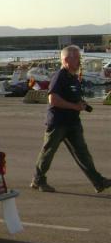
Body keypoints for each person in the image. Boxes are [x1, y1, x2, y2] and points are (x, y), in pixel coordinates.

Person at [31, 45, 111, 193]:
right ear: (67, 60)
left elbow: (72, 96)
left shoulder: (73, 77)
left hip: (73, 122)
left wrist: (81, 104)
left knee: (83, 153)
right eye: (77, 59)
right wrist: (74, 107)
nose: (79, 62)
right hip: (58, 123)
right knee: (48, 152)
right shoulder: (59, 77)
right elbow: (53, 99)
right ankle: (38, 179)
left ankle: (98, 182)